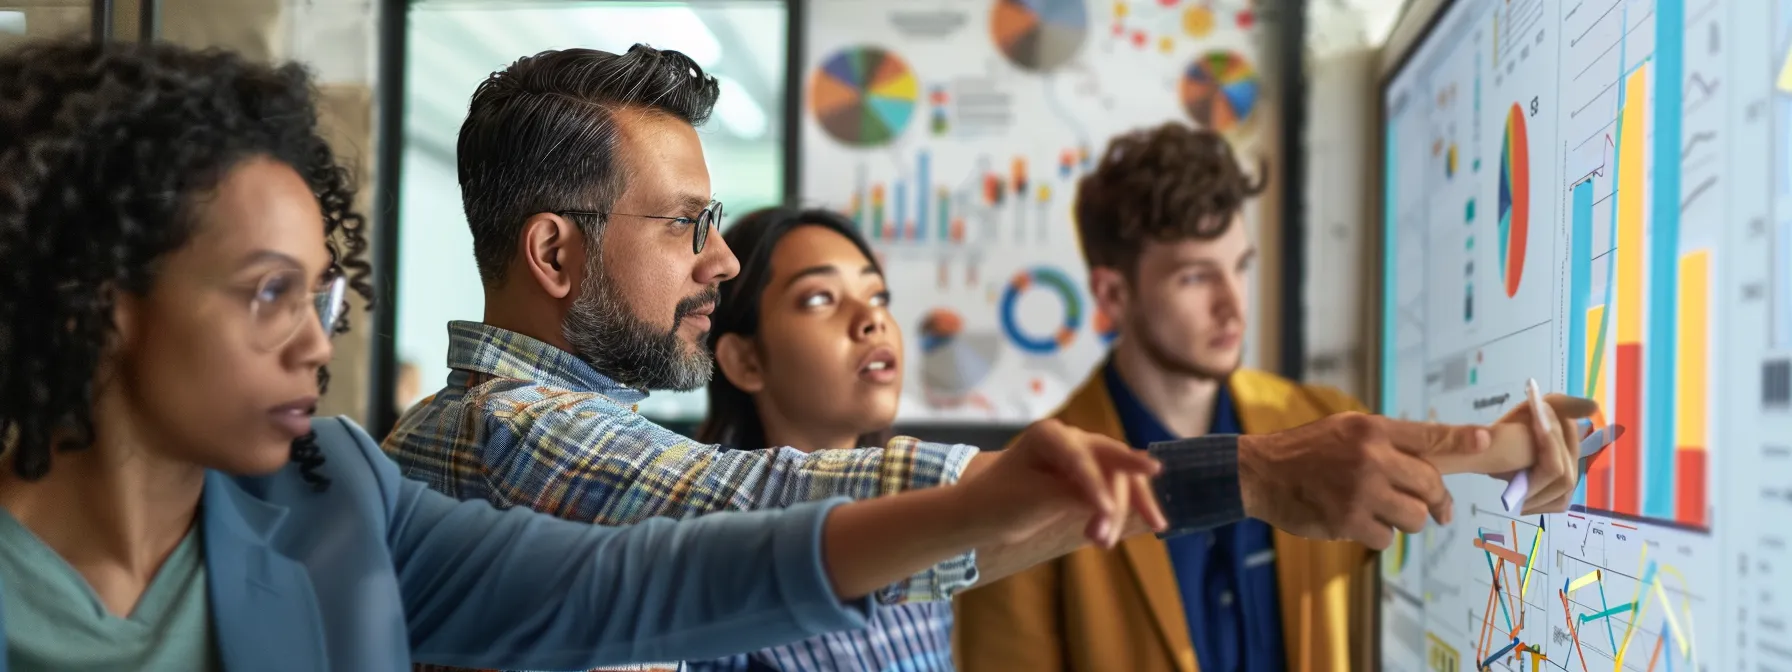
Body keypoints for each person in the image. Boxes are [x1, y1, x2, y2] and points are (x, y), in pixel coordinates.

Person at [382, 45, 1590, 671]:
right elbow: (770, 508)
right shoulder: (511, 432)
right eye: (685, 225)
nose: (714, 262)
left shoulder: (543, 431)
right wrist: (1254, 481)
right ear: (554, 250)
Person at [0, 38, 1168, 671]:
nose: (317, 340)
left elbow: (651, 581)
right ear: (103, 302)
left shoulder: (336, 493)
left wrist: (995, 502)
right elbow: (716, 517)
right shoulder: (499, 428)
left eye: (325, 290)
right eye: (268, 294)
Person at [952, 123, 1596, 672]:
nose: (1234, 304)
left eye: (1241, 266)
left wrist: (1509, 449)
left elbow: (1417, 503)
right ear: (1113, 295)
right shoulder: (1029, 486)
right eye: (1196, 276)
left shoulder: (1324, 422)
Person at [692, 207, 952, 670]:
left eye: (878, 296)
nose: (871, 320)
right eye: (819, 299)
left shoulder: (918, 523)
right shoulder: (718, 563)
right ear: (745, 361)